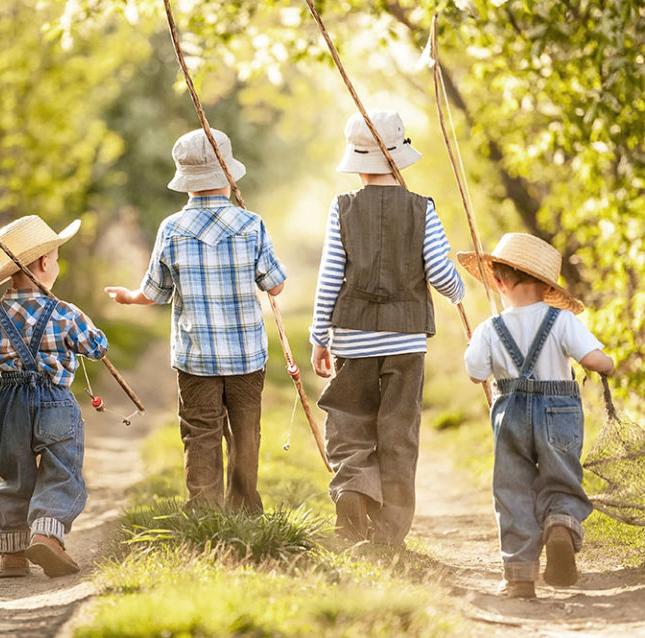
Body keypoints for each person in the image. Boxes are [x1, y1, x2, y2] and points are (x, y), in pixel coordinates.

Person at [105, 128, 286, 515]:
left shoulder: (172, 229)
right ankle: (245, 509)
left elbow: (153, 293)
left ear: (185, 181)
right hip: (246, 356)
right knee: (245, 433)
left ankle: (204, 510)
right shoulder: (251, 224)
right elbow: (276, 285)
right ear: (229, 176)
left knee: (201, 431)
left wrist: (127, 297)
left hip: (195, 357)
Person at [309, 110, 465, 547]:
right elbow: (439, 269)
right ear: (400, 159)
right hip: (406, 341)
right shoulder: (422, 209)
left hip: (352, 338)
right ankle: (389, 531)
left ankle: (353, 493)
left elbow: (329, 277)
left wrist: (320, 336)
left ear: (358, 164)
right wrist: (458, 291)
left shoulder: (342, 207)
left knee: (349, 421)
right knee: (398, 431)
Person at [0, 214, 108, 579]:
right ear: (43, 264)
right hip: (56, 401)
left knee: (15, 475)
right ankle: (47, 536)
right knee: (61, 471)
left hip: (9, 404)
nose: (57, 263)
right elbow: (98, 347)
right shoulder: (66, 312)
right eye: (55, 257)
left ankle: (12, 555)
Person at [461, 233, 613, 599]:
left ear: (497, 282)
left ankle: (519, 577)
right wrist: (608, 365)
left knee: (512, 489)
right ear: (547, 287)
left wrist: (480, 347)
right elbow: (594, 360)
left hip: (510, 414)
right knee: (561, 478)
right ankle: (560, 524)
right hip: (557, 413)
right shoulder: (561, 321)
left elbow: (475, 372)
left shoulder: (489, 329)